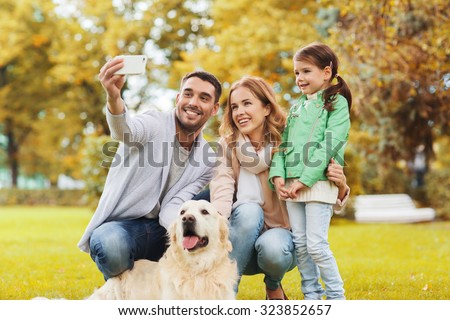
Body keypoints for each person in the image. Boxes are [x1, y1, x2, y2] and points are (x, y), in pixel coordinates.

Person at [195, 76, 350, 300]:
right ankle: (224, 294)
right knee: (249, 210)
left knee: (273, 249)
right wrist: (216, 229)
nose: (240, 112)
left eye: (247, 103)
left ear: (266, 108)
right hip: (239, 242)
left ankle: (273, 284)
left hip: (280, 241)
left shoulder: (289, 140)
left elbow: (316, 187)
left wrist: (342, 187)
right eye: (235, 107)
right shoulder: (226, 145)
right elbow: (221, 189)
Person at [77, 56, 221, 280]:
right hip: (122, 226)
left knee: (219, 195)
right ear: (178, 98)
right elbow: (124, 131)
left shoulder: (207, 160)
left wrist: (186, 229)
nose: (193, 102)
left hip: (162, 231)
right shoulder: (154, 123)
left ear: (214, 109)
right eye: (188, 94)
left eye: (204, 98)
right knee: (111, 245)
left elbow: (175, 204)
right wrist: (114, 96)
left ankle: (197, 274)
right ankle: (126, 287)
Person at [269, 42, 352, 300]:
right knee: (301, 246)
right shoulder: (296, 108)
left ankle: (337, 297)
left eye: (306, 71)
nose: (299, 78)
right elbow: (282, 147)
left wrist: (304, 180)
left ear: (326, 72)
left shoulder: (336, 104)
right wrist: (279, 176)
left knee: (316, 244)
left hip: (318, 184)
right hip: (293, 186)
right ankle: (312, 296)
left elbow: (329, 145)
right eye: (296, 73)